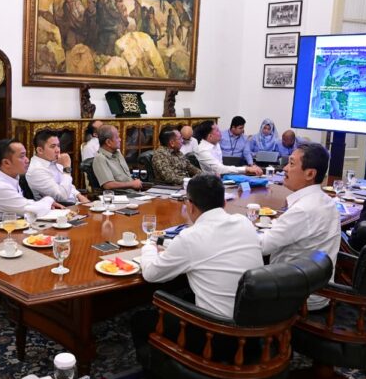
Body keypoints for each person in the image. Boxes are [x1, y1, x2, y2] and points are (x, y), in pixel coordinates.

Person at [140, 174, 264, 317]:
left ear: (190, 206)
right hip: (258, 321)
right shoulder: (244, 222)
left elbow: (150, 274)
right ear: (224, 203)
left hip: (219, 329)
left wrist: (149, 246)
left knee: (140, 320)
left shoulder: (190, 237)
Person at [258, 143, 340, 310]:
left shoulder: (303, 210)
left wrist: (238, 229)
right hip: (318, 288)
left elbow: (262, 247)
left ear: (310, 173)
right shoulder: (325, 200)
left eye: (292, 164)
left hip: (298, 297)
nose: (285, 169)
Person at [0, 139, 62, 219]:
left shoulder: (7, 174)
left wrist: (45, 203)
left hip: (12, 225)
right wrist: (49, 199)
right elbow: (34, 210)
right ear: (6, 163)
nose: (27, 160)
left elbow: (23, 204)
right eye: (22, 156)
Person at [26, 130, 89, 204]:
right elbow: (62, 196)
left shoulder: (53, 160)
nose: (57, 150)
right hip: (61, 209)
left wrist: (80, 196)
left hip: (75, 203)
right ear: (40, 150)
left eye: (58, 146)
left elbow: (68, 185)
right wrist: (66, 168)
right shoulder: (37, 170)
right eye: (53, 146)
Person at [194, 120, 262, 176]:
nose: (220, 132)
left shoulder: (216, 144)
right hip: (208, 183)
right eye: (217, 130)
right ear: (210, 136)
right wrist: (245, 169)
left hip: (220, 177)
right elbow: (219, 168)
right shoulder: (202, 150)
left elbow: (220, 167)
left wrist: (248, 167)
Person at [92, 125, 143, 190]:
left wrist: (135, 182)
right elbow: (108, 185)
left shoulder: (118, 154)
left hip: (133, 192)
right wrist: (132, 184)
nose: (120, 139)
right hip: (120, 196)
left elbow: (127, 177)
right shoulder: (100, 158)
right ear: (108, 142)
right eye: (117, 137)